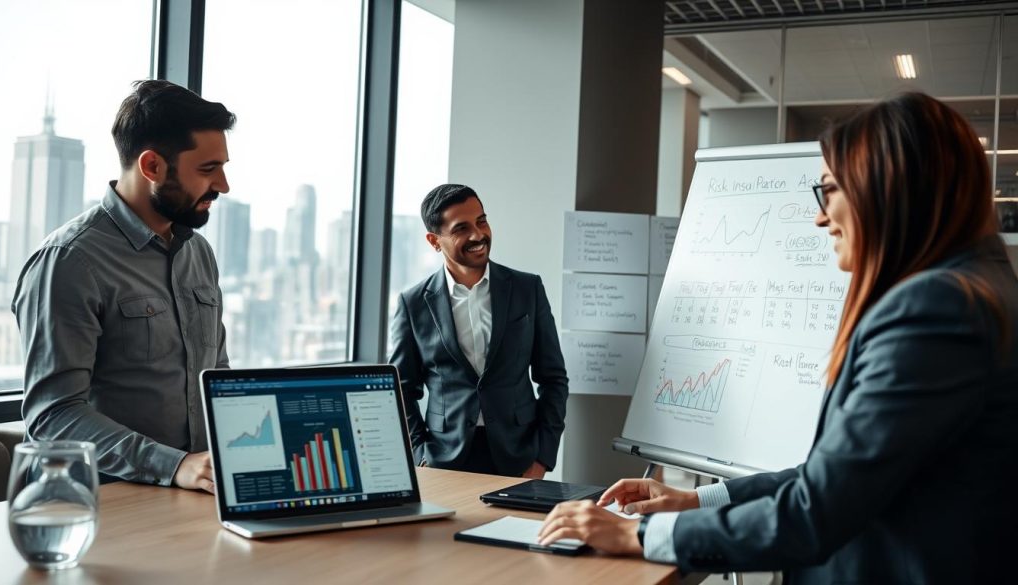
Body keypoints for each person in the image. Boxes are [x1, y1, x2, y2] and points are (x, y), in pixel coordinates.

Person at [538, 92, 1018, 583]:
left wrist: (638, 535)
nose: (820, 217)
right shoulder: (975, 289)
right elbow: (837, 477)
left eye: (829, 191)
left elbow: (818, 510)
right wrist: (696, 499)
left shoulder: (937, 309)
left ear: (885, 188)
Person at [12, 80, 235, 493]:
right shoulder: (69, 260)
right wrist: (174, 466)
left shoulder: (198, 252)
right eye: (208, 169)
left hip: (191, 496)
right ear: (152, 167)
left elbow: (215, 377)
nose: (223, 185)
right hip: (97, 501)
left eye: (222, 167)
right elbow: (53, 416)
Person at [389, 184, 568, 477]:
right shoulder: (413, 304)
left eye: (481, 221)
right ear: (434, 241)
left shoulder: (527, 289)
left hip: (518, 457)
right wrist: (420, 455)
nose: (477, 235)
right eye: (461, 228)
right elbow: (400, 391)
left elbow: (553, 379)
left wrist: (542, 458)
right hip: (444, 461)